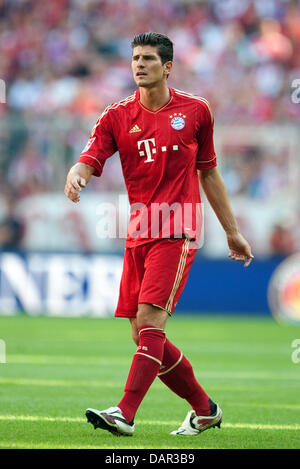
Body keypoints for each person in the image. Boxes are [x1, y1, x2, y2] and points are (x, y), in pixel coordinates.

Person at [64, 32, 253, 436]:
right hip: (138, 233)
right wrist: (76, 175)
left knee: (151, 320)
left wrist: (232, 232)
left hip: (179, 228)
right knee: (142, 333)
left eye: (148, 58)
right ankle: (205, 409)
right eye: (135, 58)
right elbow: (90, 157)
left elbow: (209, 171)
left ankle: (124, 413)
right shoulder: (116, 115)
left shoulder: (197, 111)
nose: (139, 64)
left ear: (167, 67)